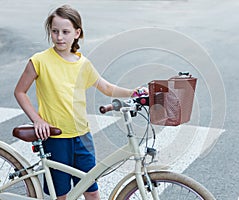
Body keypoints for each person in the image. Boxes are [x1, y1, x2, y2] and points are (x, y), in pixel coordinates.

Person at [14, 4, 147, 200]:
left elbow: (107, 88)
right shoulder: (40, 61)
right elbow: (20, 91)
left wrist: (133, 92)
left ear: (77, 33)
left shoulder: (82, 64)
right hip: (56, 138)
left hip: (83, 138)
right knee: (61, 196)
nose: (60, 37)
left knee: (92, 192)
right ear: (50, 31)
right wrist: (37, 119)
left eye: (65, 32)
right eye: (55, 31)